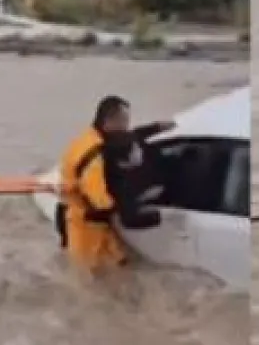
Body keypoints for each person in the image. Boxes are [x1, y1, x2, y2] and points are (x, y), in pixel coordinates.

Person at [55, 96, 173, 269]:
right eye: (124, 121)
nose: (127, 126)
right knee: (89, 280)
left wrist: (156, 128)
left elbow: (129, 137)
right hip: (86, 228)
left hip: (90, 221)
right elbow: (101, 202)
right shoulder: (94, 157)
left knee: (119, 268)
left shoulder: (93, 138)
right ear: (109, 122)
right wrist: (130, 204)